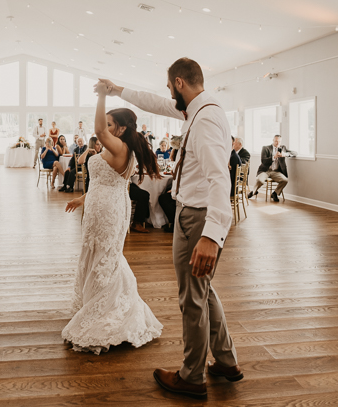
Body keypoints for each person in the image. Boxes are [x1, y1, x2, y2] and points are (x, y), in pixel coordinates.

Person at [100, 58, 241, 399]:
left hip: (197, 218)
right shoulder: (201, 109)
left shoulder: (204, 118)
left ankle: (191, 377)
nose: (168, 94)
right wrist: (119, 90)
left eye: (169, 86)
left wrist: (211, 235)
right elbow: (158, 104)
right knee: (204, 291)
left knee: (192, 297)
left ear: (179, 82)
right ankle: (225, 361)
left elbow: (220, 179)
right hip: (193, 213)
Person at [62, 82, 162, 354]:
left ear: (121, 128)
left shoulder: (120, 148)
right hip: (100, 205)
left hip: (108, 210)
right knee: (98, 254)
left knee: (107, 257)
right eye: (106, 124)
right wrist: (82, 199)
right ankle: (94, 301)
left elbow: (97, 131)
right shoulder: (117, 148)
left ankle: (108, 312)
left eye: (109, 124)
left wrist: (102, 97)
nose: (104, 128)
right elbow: (107, 182)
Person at [247, 135, 293, 202]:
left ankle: (275, 193)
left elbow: (294, 153)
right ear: (273, 140)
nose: (277, 143)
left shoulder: (283, 148)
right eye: (276, 141)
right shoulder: (266, 148)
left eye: (279, 141)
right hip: (265, 170)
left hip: (276, 172)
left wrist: (285, 154)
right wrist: (274, 157)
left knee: (285, 180)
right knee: (259, 180)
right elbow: (263, 161)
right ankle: (253, 192)